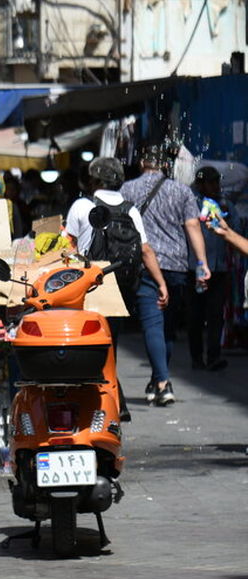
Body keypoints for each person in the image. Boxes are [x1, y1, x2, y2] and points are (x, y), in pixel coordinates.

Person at [65, 157, 169, 420]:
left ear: (94, 180)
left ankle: (106, 400)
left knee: (90, 342)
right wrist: (160, 282)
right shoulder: (131, 210)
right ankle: (114, 398)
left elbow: (69, 247)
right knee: (111, 341)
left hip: (90, 283)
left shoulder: (82, 206)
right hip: (121, 286)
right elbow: (145, 250)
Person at [119, 145, 209, 406]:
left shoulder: (128, 190)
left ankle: (161, 381)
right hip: (177, 266)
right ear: (166, 166)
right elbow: (192, 226)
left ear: (141, 164)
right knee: (167, 328)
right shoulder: (182, 191)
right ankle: (159, 379)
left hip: (145, 264)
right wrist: (202, 263)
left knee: (153, 325)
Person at [188, 167, 232, 371]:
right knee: (196, 314)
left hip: (219, 267)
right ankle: (196, 356)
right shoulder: (192, 205)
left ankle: (214, 356)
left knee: (215, 315)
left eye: (217, 182)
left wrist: (226, 213)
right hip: (195, 267)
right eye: (211, 182)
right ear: (200, 184)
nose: (216, 186)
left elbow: (237, 230)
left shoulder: (224, 204)